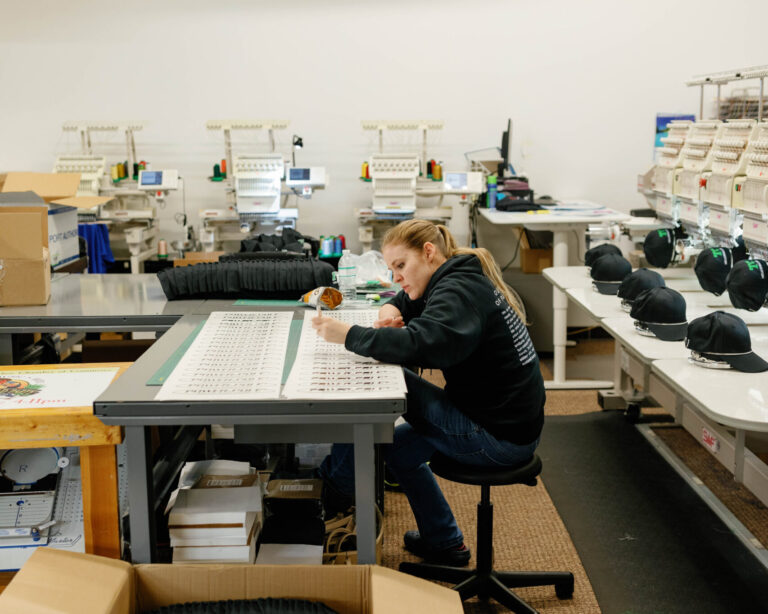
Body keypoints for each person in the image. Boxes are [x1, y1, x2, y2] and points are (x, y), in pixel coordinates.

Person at [312, 219, 545, 566]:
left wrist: (349, 335)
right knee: (398, 450)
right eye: (392, 269)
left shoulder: (457, 292)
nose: (397, 278)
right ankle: (445, 543)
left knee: (377, 383)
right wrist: (390, 310)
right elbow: (407, 301)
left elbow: (423, 342)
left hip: (496, 437)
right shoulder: (456, 278)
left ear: (429, 252)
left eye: (401, 266)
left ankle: (334, 487)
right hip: (508, 424)